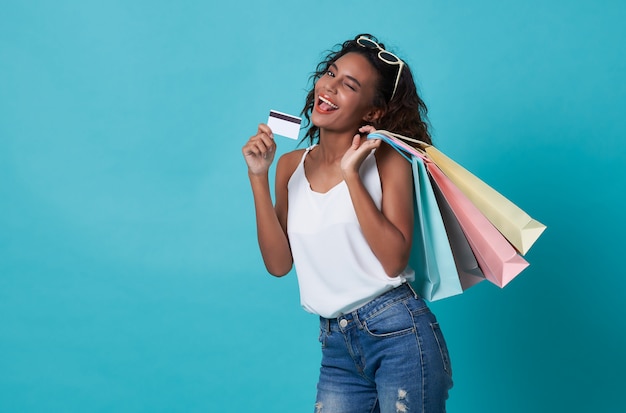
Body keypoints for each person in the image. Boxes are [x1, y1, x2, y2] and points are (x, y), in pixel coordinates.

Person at [242, 33, 453, 413]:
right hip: (336, 345)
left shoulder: (388, 161)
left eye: (349, 85)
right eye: (331, 73)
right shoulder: (290, 167)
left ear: (372, 113)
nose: (329, 87)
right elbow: (278, 265)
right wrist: (259, 176)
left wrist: (352, 175)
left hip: (398, 335)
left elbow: (392, 260)